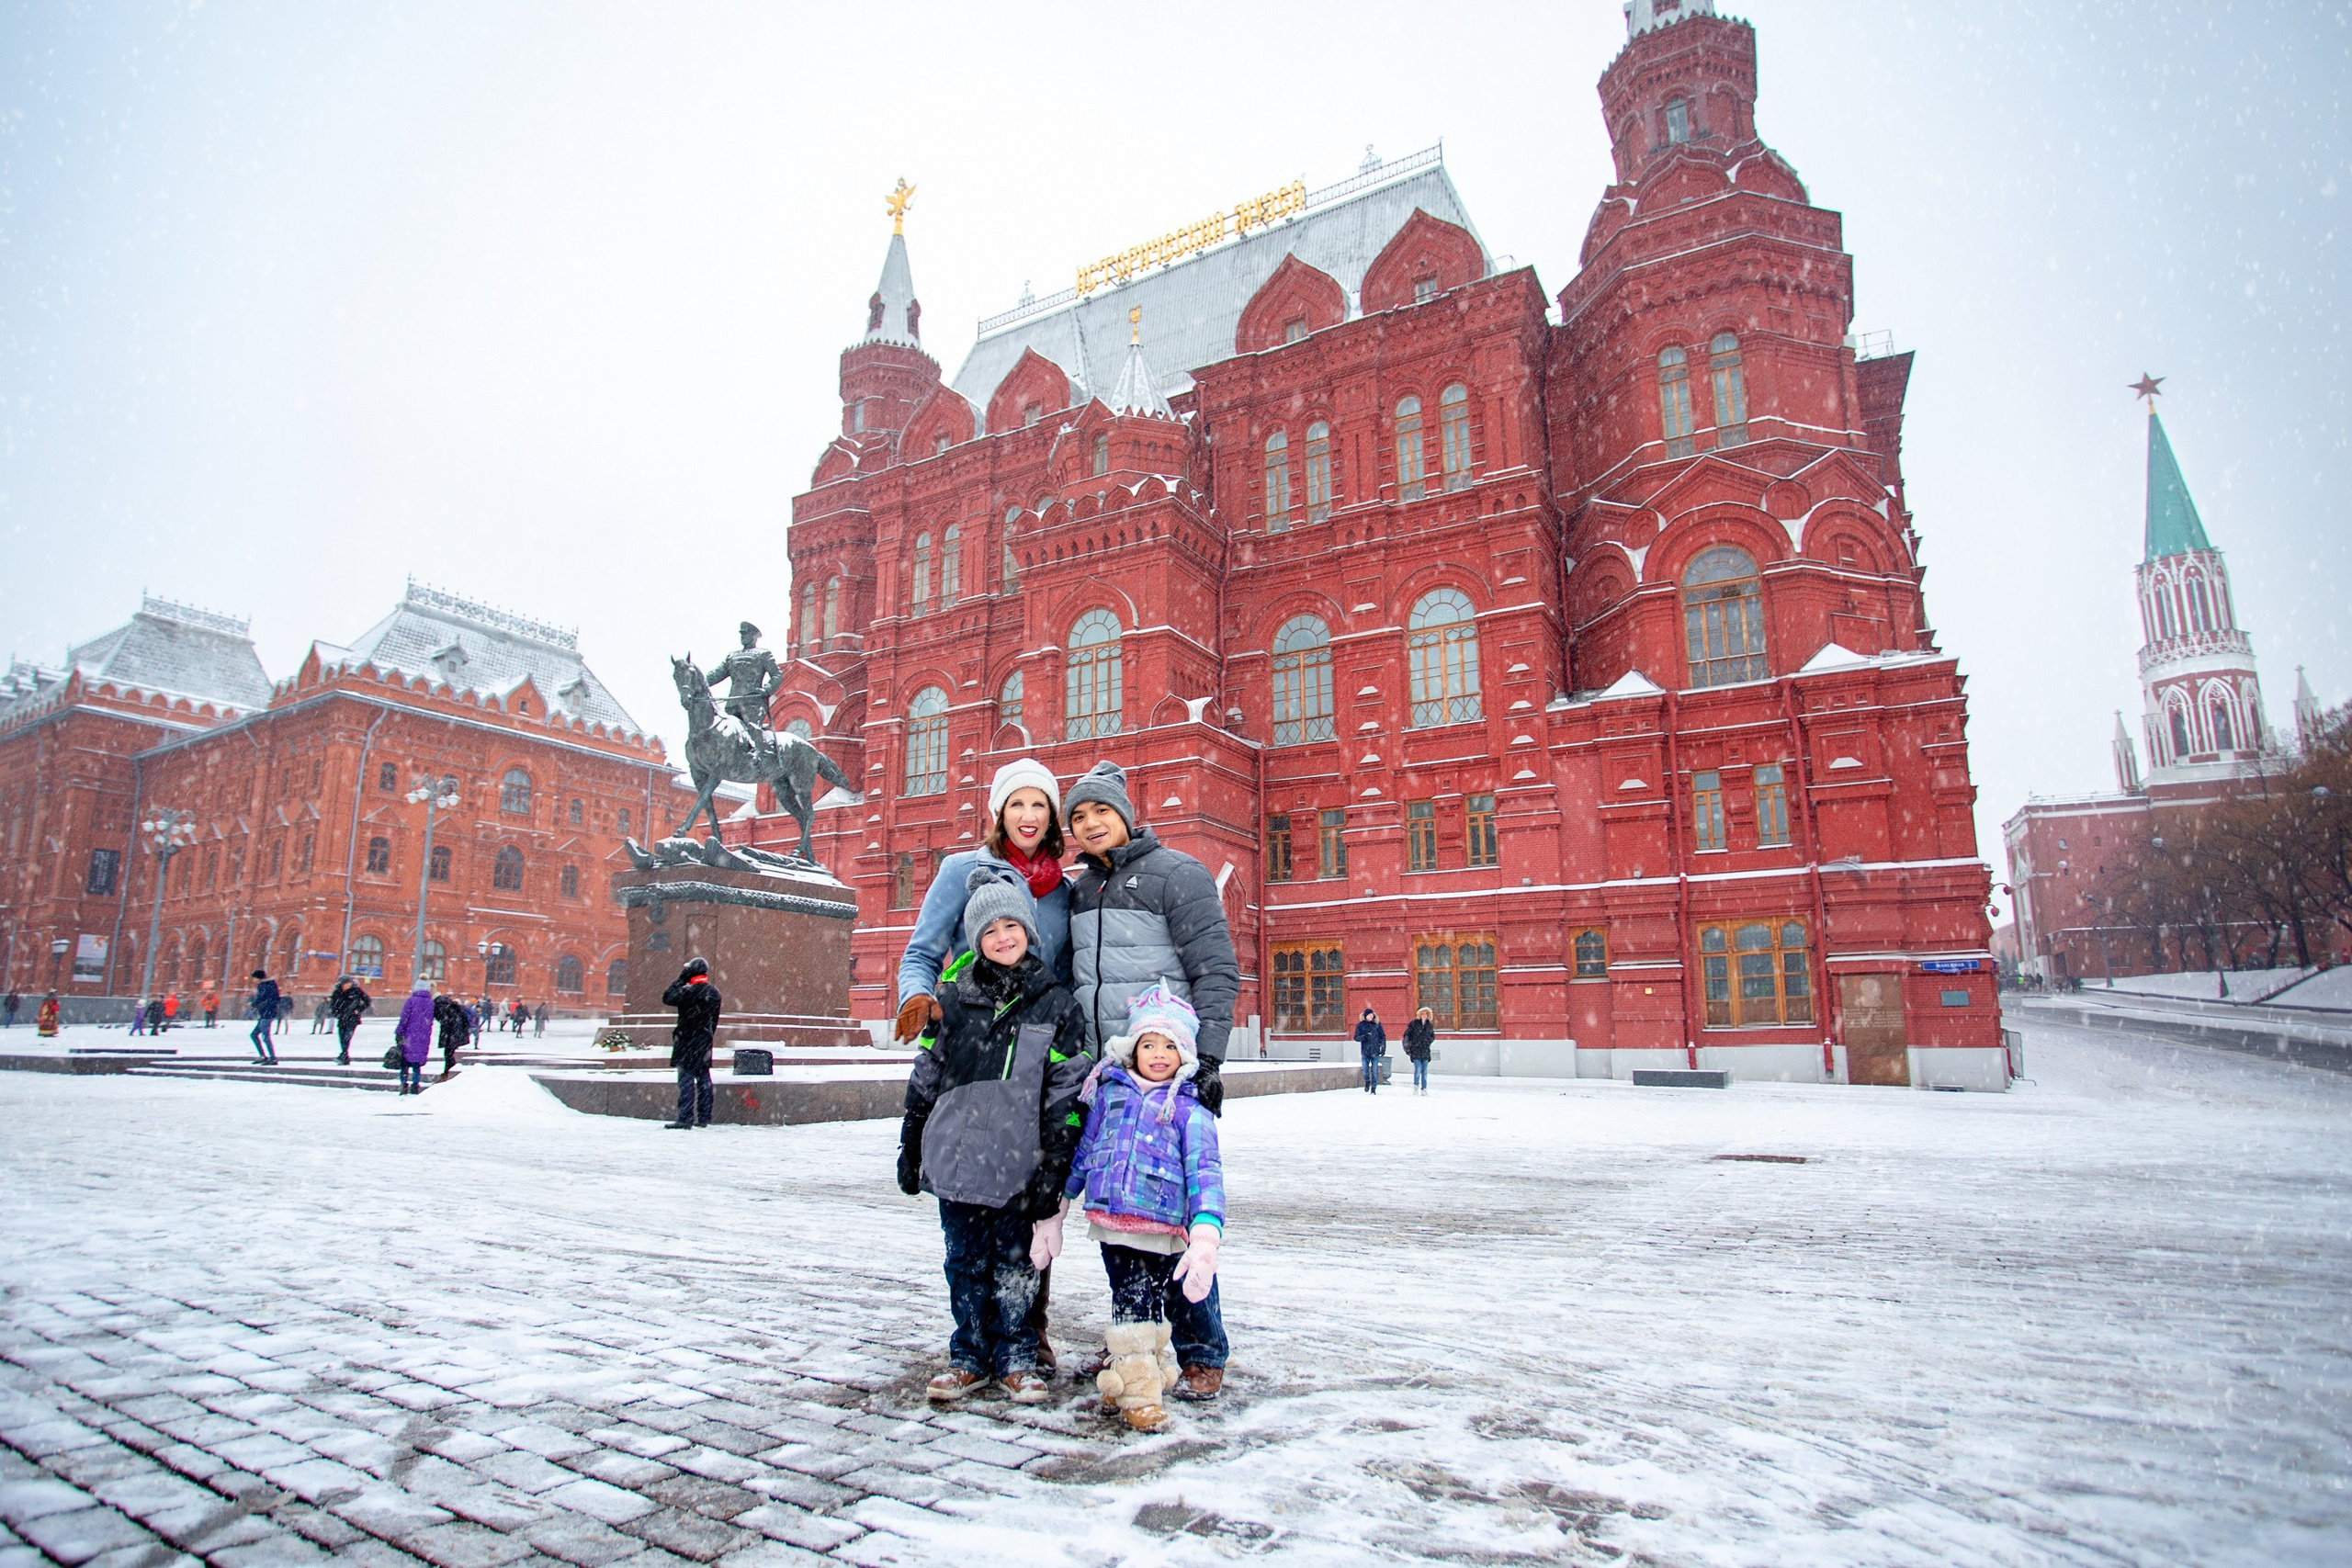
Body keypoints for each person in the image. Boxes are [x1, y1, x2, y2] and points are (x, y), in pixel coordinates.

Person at [1062, 759, 1239, 1402]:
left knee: (1178, 1214)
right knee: (1120, 1215)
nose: (1089, 824)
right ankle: (1133, 1341)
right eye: (1078, 817)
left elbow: (1216, 968)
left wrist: (1209, 1059)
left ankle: (1200, 1347)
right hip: (1109, 1077)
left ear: (1127, 814)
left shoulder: (1178, 875)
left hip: (1169, 1073)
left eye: (1100, 811)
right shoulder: (1081, 890)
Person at [897, 864, 1091, 1404]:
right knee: (963, 1262)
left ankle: (1016, 1356)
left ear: (1029, 931)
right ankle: (968, 1355)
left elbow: (1066, 1095)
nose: (1002, 938)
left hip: (1017, 1164)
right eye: (988, 931)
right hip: (955, 1159)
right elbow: (927, 1074)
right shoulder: (951, 999)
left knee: (1016, 1265)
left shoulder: (1056, 1005)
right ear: (975, 940)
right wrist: (911, 1141)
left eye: (1011, 927)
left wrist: (1055, 1167)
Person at [1059, 985, 1225, 1433]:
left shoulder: (1191, 1107)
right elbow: (1088, 1148)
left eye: (1169, 1046)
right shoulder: (1110, 1090)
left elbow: (1205, 1172)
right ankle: (1141, 1383)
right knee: (1130, 1299)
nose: (1157, 1054)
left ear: (1185, 1054)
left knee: (1150, 1301)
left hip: (1164, 1224)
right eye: (1148, 1044)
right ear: (1132, 1048)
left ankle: (1140, 1381)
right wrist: (1061, 1204)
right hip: (1112, 1224)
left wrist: (1207, 1230)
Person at [896, 759, 1072, 1041]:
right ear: (1000, 814)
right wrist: (916, 995)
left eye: (1039, 805)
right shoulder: (962, 871)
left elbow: (1064, 976)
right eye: (1017, 804)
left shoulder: (1063, 890)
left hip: (1038, 1043)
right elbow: (922, 954)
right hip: (973, 1036)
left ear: (1051, 816)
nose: (1029, 816)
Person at [662, 959, 721, 1128]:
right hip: (704, 1041)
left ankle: (685, 1118)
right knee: (704, 1079)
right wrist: (707, 1036)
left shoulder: (686, 991)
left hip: (686, 1041)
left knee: (686, 1081)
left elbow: (667, 997)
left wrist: (681, 979)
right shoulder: (714, 992)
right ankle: (703, 1117)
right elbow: (714, 1021)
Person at [393, 985, 434, 1095]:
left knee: (405, 1063)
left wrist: (398, 1032)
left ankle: (403, 1085)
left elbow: (404, 1018)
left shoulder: (411, 1000)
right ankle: (415, 1085)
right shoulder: (430, 1003)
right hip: (423, 1037)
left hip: (409, 1036)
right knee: (416, 1064)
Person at [328, 976, 371, 1066]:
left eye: (349, 983)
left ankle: (344, 1056)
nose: (348, 985)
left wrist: (359, 1010)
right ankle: (344, 1055)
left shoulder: (357, 991)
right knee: (342, 1037)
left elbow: (367, 1001)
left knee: (347, 1037)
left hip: (352, 1019)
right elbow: (333, 1005)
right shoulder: (337, 992)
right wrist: (337, 1013)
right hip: (342, 1018)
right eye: (345, 983)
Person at [432, 986, 470, 1081]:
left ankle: (448, 1074)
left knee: (449, 1054)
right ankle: (448, 1073)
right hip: (456, 1030)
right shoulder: (444, 1001)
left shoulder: (439, 1003)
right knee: (450, 1053)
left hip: (452, 1031)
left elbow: (445, 1019)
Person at [247, 971, 280, 1065]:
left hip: (267, 1014)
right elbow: (274, 998)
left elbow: (261, 998)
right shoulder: (270, 984)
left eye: (254, 978)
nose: (253, 980)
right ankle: (264, 1056)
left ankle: (272, 1058)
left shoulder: (264, 986)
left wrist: (252, 1005)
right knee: (254, 1035)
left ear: (258, 978)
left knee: (265, 1036)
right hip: (267, 1013)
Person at [1354, 1007, 1386, 1094]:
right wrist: (1364, 1037)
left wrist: (1383, 1047)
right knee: (1365, 1070)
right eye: (1369, 1015)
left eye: (1372, 1015)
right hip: (1365, 1052)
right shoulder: (1360, 1025)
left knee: (1375, 1071)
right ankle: (1367, 1081)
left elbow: (1382, 1036)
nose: (1371, 1016)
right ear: (1365, 1016)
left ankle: (1373, 1088)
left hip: (1375, 1051)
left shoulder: (1377, 1025)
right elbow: (1356, 1037)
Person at [1403, 1006, 1435, 1093]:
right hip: (1416, 1050)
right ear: (1419, 1014)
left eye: (1426, 1014)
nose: (1424, 1015)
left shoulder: (1429, 1025)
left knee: (1424, 1071)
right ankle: (1416, 1086)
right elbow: (1407, 1036)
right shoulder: (1413, 1024)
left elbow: (1432, 1036)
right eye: (1423, 1014)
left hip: (1425, 1051)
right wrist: (1408, 1048)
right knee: (1418, 1068)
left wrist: (1427, 1041)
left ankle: (1424, 1088)